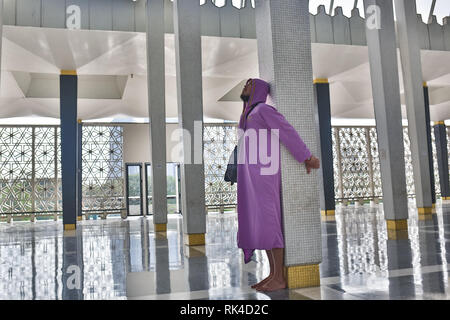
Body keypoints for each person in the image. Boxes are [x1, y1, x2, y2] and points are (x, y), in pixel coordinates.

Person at [237, 78, 320, 292]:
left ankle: (279, 277)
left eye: (249, 84)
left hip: (265, 175)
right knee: (259, 224)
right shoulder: (248, 115)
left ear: (257, 89)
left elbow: (286, 131)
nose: (244, 87)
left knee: (269, 221)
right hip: (250, 177)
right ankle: (272, 274)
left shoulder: (264, 109)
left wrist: (306, 156)